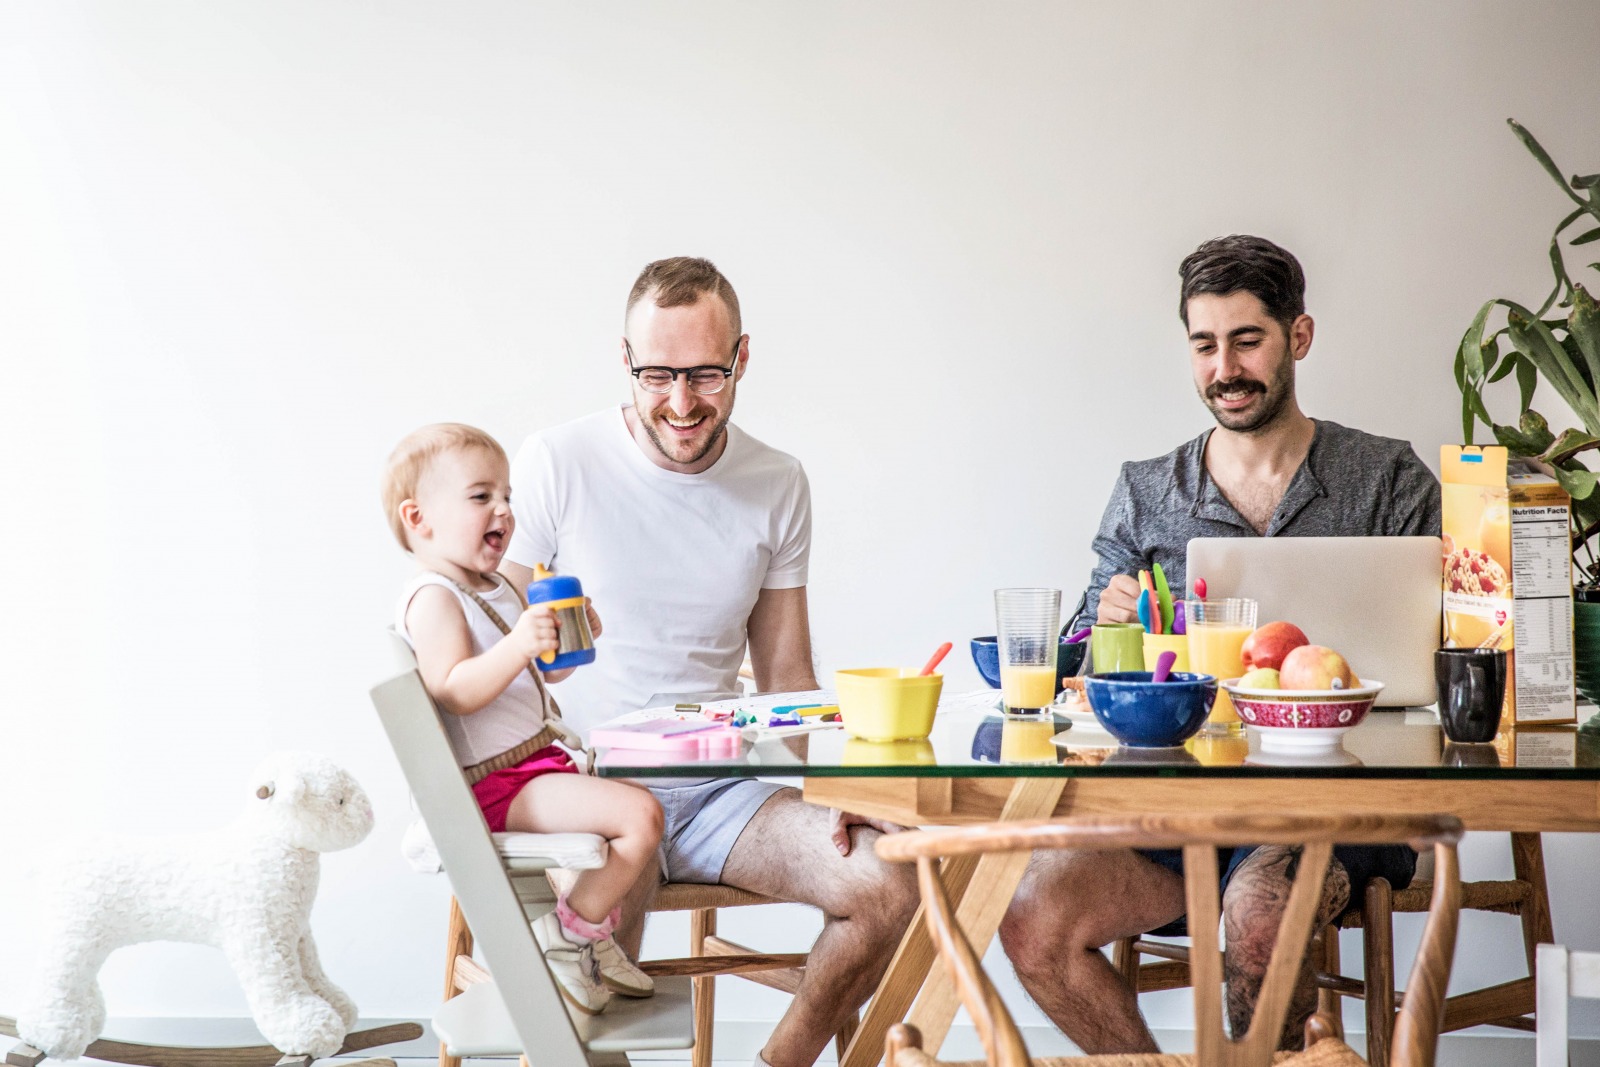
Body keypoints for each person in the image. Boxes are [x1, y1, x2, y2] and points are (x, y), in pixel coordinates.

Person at [1000, 235, 1441, 1054]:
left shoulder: (1388, 480)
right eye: (1205, 345)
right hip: (1177, 810)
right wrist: (1109, 626)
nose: (1224, 368)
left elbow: (1456, 654)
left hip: (1334, 804)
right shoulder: (1146, 491)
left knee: (1260, 910)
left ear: (1297, 338)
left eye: (1247, 340)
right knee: (1032, 914)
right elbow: (1080, 664)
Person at [500, 257, 918, 1067]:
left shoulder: (777, 482)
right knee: (588, 982)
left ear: (742, 359)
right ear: (623, 360)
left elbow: (788, 674)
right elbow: (491, 634)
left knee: (889, 883)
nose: (682, 403)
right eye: (657, 374)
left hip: (723, 791)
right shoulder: (558, 459)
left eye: (705, 374)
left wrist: (842, 789)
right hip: (595, 784)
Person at [383, 422, 665, 1017]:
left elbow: (537, 677)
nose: (505, 510)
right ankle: (571, 937)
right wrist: (516, 644)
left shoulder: (495, 585)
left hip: (532, 767)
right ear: (418, 518)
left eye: (507, 495)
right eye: (481, 496)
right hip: (496, 784)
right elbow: (456, 690)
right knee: (640, 814)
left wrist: (562, 642)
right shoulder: (433, 597)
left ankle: (589, 935)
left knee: (635, 804)